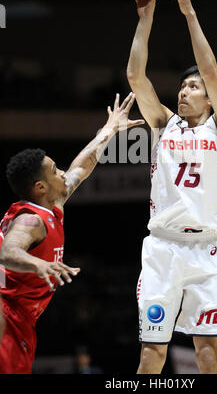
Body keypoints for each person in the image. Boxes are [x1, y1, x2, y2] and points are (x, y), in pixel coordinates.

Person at [126, 0, 217, 374]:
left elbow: (211, 71)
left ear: (211, 98)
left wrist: (189, 13)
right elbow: (136, 78)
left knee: (208, 356)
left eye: (193, 87)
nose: (184, 91)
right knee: (151, 354)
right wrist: (147, 16)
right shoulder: (163, 124)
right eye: (182, 86)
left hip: (208, 252)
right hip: (162, 251)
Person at [0, 92, 143, 374]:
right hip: (7, 317)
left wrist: (109, 130)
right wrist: (39, 263)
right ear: (40, 187)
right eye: (55, 170)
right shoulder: (31, 221)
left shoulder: (51, 203)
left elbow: (82, 166)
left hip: (22, 318)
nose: (63, 172)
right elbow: (8, 252)